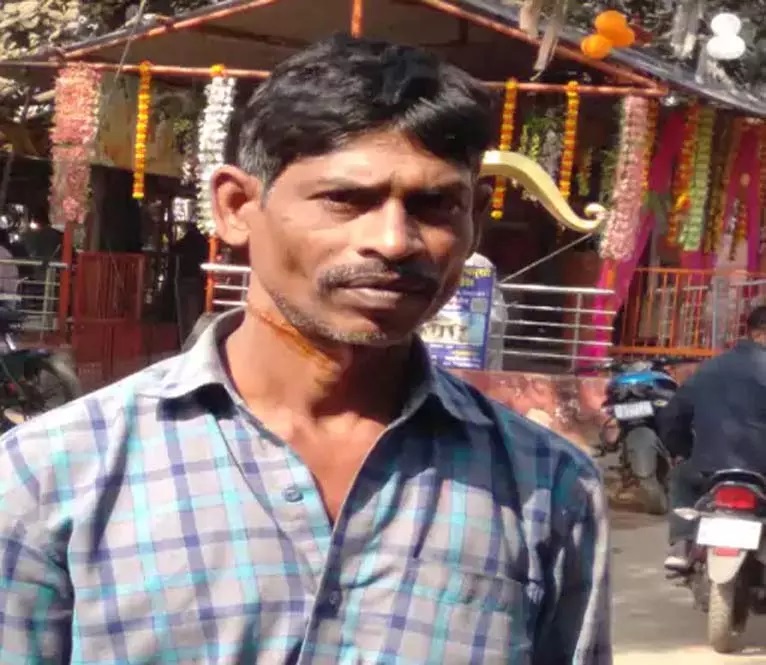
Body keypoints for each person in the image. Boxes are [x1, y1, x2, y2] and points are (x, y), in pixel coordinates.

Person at [0, 35, 611, 664]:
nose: (394, 241)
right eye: (345, 200)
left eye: (435, 206)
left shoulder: (547, 486)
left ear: (474, 219)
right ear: (237, 208)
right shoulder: (52, 476)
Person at [660, 305, 766, 570]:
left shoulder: (710, 368)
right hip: (762, 471)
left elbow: (673, 415)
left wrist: (682, 451)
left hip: (709, 468)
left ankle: (683, 542)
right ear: (759, 334)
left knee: (681, 476)